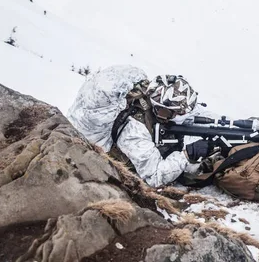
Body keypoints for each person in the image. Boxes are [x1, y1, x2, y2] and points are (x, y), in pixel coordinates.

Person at [67, 65, 213, 187]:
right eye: (172, 113)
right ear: (159, 108)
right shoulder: (134, 130)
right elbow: (155, 177)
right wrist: (186, 155)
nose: (177, 117)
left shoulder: (150, 95)